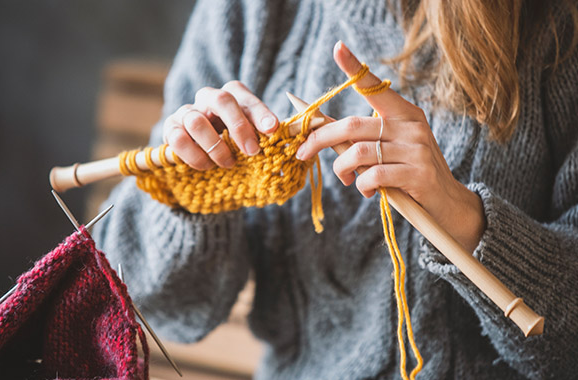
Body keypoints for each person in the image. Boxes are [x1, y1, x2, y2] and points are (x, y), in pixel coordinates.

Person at [94, 0, 578, 378]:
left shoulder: (559, 29)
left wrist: (462, 217)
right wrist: (191, 192)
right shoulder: (255, 11)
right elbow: (155, 307)